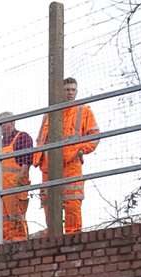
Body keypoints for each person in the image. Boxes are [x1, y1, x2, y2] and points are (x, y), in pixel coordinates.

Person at [34, 77, 99, 235]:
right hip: (49, 167)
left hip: (71, 164)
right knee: (49, 204)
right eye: (67, 89)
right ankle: (53, 236)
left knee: (72, 203)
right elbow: (41, 139)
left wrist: (81, 150)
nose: (70, 93)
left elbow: (94, 135)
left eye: (73, 90)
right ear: (60, 91)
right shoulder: (49, 114)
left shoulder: (83, 111)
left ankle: (73, 237)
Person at [0, 111, 34, 242]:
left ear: (13, 122)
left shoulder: (21, 137)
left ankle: (20, 244)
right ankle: (5, 244)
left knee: (16, 219)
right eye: (1, 124)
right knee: (1, 221)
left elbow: (27, 161)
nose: (4, 127)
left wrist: (21, 179)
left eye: (6, 123)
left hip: (14, 187)